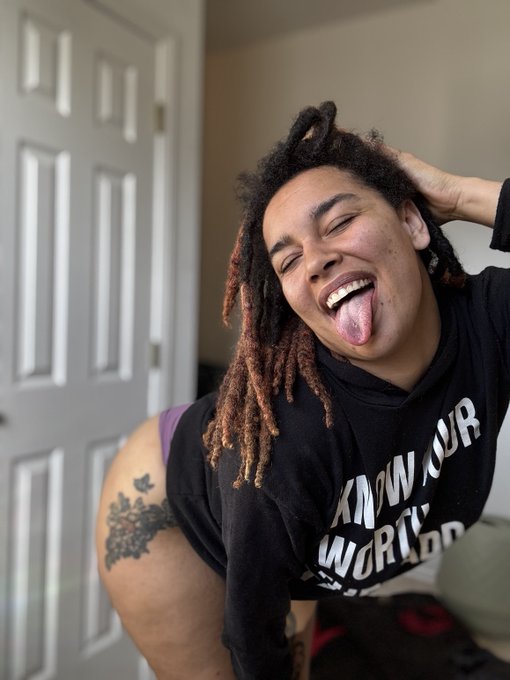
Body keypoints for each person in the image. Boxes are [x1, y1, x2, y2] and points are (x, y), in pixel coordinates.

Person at [96, 101, 507, 680]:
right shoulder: (290, 439)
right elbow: (253, 634)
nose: (315, 260)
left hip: (283, 530)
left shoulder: (489, 321)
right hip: (168, 512)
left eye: (338, 223)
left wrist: (460, 195)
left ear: (413, 223)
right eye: (287, 260)